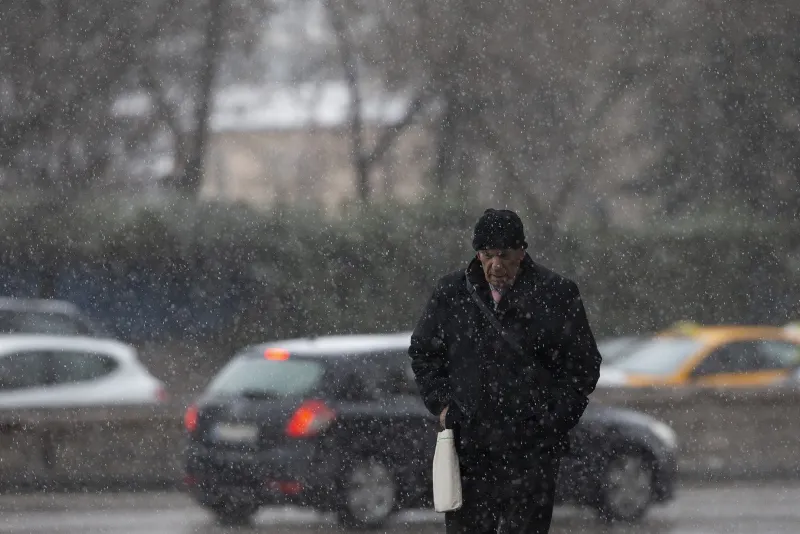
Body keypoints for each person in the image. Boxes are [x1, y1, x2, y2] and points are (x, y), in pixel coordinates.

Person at [409, 208, 602, 534]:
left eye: (505, 255)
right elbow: (424, 352)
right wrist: (444, 407)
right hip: (471, 448)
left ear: (521, 252)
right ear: (477, 254)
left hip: (532, 451)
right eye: (488, 255)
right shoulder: (451, 293)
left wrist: (552, 420)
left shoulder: (557, 293)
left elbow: (583, 366)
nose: (496, 265)